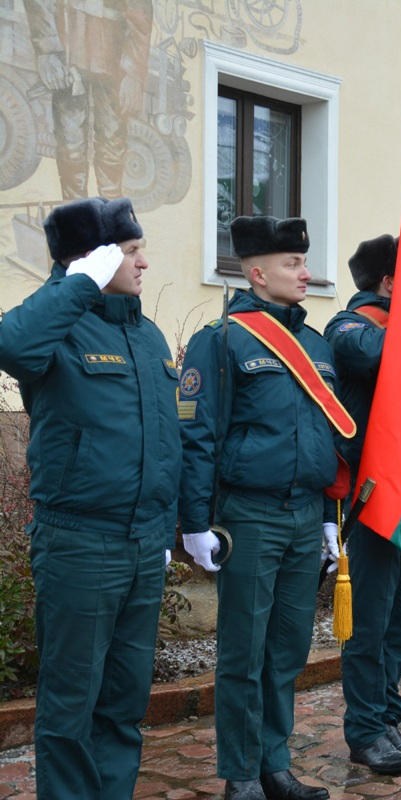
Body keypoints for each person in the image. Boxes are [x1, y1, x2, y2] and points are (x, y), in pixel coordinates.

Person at [0, 197, 178, 799]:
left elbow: (166, 443)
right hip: (80, 542)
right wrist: (76, 285)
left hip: (143, 542)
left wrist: (165, 527)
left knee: (124, 701)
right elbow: (12, 347)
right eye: (129, 251)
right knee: (71, 703)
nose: (143, 262)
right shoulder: (57, 325)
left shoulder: (147, 335)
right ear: (92, 259)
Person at [179, 215, 341, 800]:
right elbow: (196, 434)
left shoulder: (316, 345)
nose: (305, 272)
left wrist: (328, 517)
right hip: (249, 515)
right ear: (257, 273)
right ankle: (243, 772)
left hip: (305, 513)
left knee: (289, 646)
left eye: (304, 262)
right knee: (244, 650)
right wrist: (195, 522)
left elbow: (328, 437)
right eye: (292, 263)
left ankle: (275, 762)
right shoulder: (222, 339)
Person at [324, 234, 401, 770]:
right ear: (389, 282)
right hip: (372, 495)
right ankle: (365, 730)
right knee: (370, 621)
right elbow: (366, 355)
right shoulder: (349, 325)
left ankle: (386, 717)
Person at [23, 0, 152, 199]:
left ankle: (112, 211)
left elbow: (139, 7)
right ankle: (76, 211)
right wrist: (48, 49)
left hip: (114, 50)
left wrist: (133, 70)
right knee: (70, 144)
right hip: (67, 44)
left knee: (112, 142)